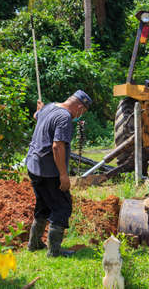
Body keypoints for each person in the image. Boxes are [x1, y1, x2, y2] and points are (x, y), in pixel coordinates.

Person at [26, 90, 92, 257]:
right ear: (78, 106)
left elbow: (36, 115)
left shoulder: (50, 107)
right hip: (49, 171)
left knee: (43, 204)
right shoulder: (64, 118)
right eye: (82, 111)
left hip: (33, 166)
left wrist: (40, 109)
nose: (80, 116)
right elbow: (57, 146)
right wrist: (63, 175)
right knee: (62, 207)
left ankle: (34, 244)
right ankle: (54, 251)